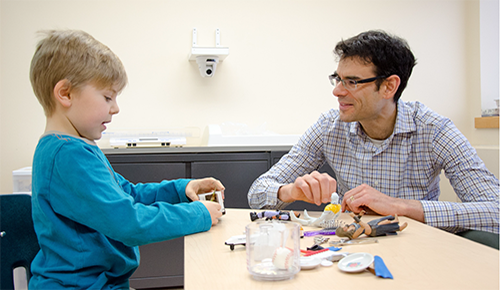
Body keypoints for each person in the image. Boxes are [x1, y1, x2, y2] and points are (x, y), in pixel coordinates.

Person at [248, 30, 499, 240]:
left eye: (352, 82)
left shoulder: (434, 130)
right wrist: (290, 191)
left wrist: (399, 206)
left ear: (389, 86)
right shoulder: (328, 126)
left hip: (417, 249)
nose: (337, 91)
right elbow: (257, 193)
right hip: (349, 250)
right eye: (337, 79)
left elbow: (495, 210)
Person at [28, 30, 224, 289]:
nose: (115, 108)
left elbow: (127, 194)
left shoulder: (73, 148)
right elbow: (129, 223)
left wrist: (180, 190)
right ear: (65, 93)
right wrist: (197, 214)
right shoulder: (68, 156)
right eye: (108, 97)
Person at [336, 210, 408, 240]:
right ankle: (399, 228)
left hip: (370, 225)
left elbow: (356, 222)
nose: (344, 227)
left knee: (384, 220)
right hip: (373, 230)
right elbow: (362, 226)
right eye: (342, 229)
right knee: (385, 225)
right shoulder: (353, 235)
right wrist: (354, 216)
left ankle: (395, 221)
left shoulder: (350, 227)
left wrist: (359, 215)